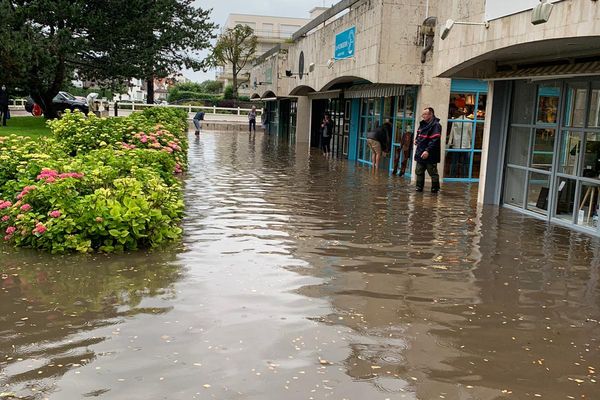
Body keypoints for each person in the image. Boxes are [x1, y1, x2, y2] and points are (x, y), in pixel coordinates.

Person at [414, 107, 442, 193]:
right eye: (423, 114)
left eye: (425, 114)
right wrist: (416, 140)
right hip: (420, 151)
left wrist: (427, 150)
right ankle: (419, 187)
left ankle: (435, 189)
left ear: (431, 115)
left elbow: (435, 140)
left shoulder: (436, 125)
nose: (423, 116)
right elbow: (418, 133)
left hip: (431, 153)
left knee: (432, 172)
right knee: (419, 170)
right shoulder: (422, 124)